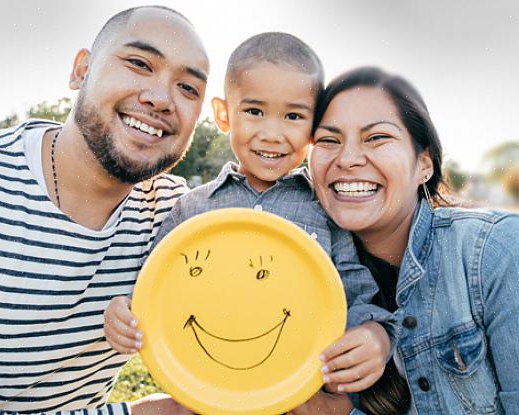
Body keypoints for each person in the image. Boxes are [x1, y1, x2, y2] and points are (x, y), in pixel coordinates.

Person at [0, 6, 209, 414]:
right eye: (138, 63)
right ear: (81, 70)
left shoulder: (177, 217)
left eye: (189, 88)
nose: (161, 98)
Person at [292, 67, 519, 414]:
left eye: (377, 138)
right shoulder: (296, 274)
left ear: (424, 165)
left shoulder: (501, 254)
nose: (348, 158)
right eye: (327, 140)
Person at [104, 33, 395, 402]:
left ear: (314, 128)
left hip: (297, 393)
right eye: (254, 111)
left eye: (293, 116)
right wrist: (123, 313)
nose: (272, 134)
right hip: (207, 391)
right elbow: (153, 288)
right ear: (224, 115)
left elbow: (356, 293)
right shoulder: (191, 209)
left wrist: (376, 336)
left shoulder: (325, 212)